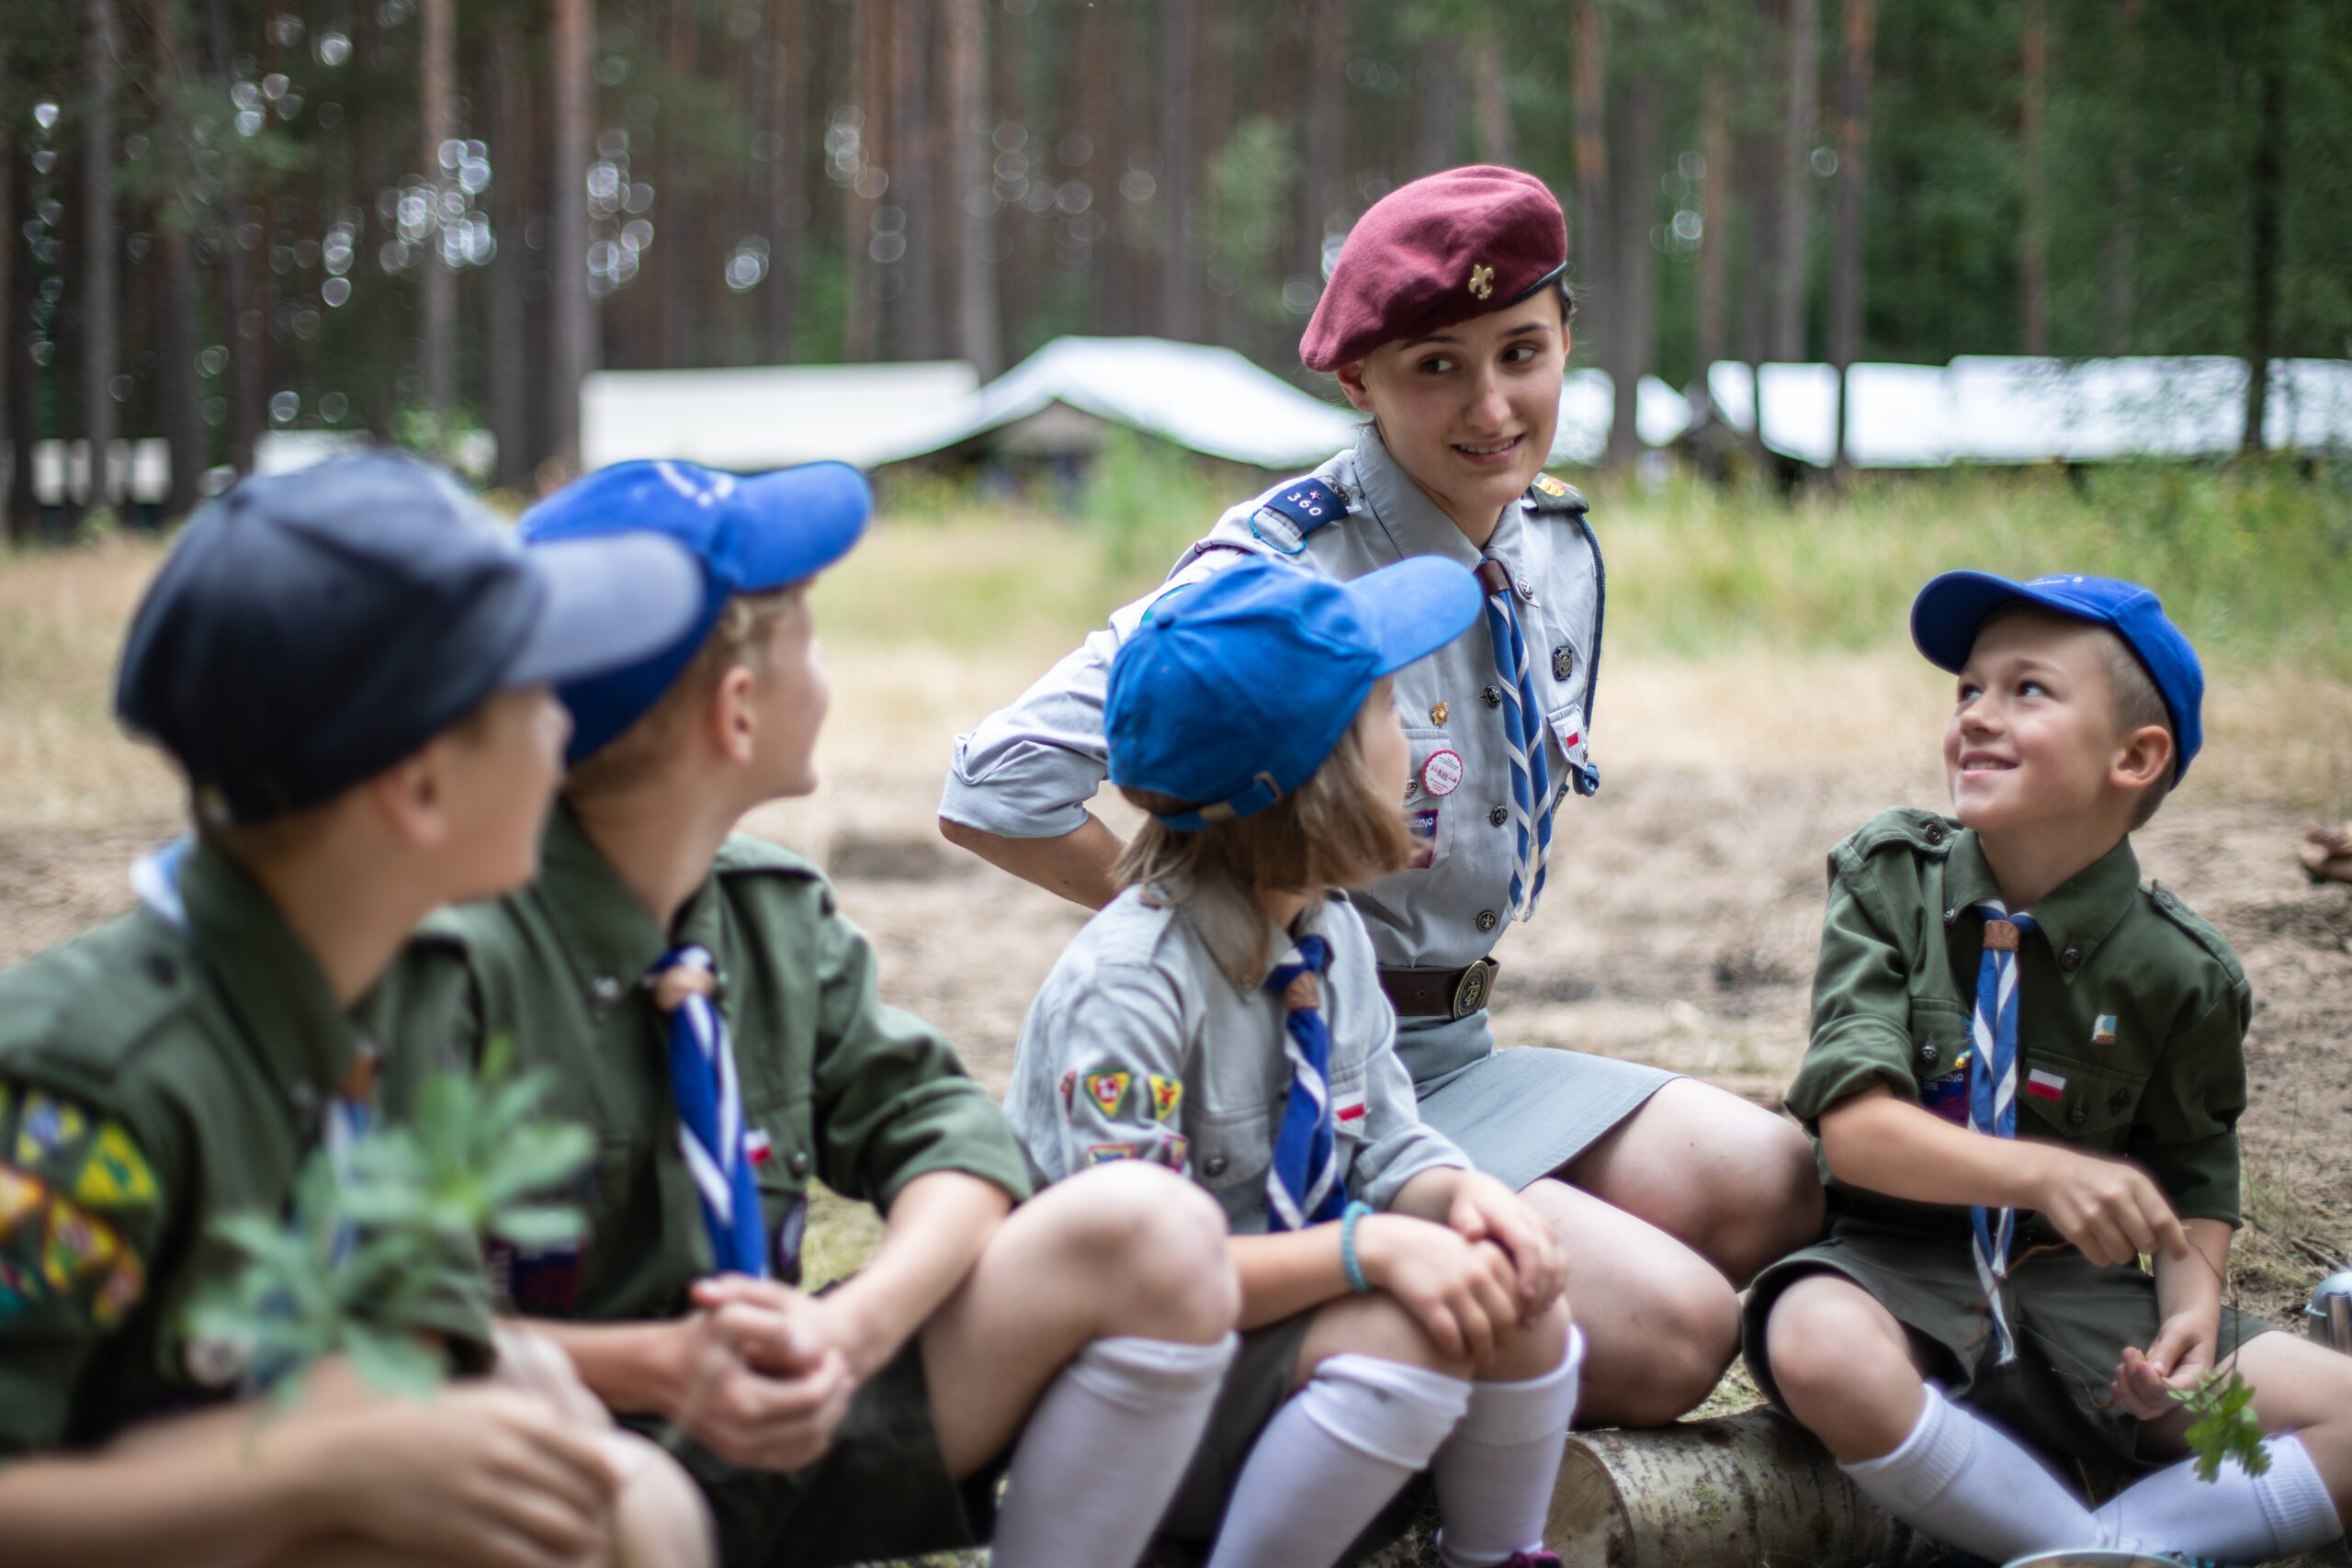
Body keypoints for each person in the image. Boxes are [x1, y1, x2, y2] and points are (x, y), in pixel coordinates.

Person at [940, 164, 1820, 1425]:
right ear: (1359, 384)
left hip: (1457, 1048)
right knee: (1681, 1334)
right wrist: (1218, 930)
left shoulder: (1551, 544)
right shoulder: (1280, 569)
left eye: (1522, 350)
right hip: (1302, 1069)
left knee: (1775, 1175)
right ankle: (1341, 1384)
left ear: (1570, 337)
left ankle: (1415, 1359)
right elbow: (995, 784)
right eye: (1435, 367)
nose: (1493, 405)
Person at [368, 457, 1241, 1568]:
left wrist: (850, 1328)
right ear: (737, 711)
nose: (823, 672)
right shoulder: (448, 962)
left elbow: (950, 1139)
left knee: (1146, 1231)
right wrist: (660, 1369)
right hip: (543, 1474)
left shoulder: (769, 917)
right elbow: (385, 1338)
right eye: (809, 641)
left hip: (784, 1425)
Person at [0, 453, 717, 1568]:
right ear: (420, 790)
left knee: (639, 1500)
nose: (563, 733)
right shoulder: (92, 1089)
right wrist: (316, 1470)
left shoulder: (406, 987)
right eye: (535, 698)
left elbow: (412, 1319)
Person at [1747, 571, 2352, 1564]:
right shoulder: (1887, 882)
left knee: (2338, 1414)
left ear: (2135, 756)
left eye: (2026, 690)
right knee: (1814, 1343)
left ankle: (2110, 1549)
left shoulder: (2182, 972)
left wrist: (2187, 1324)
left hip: (2086, 1305)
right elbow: (1854, 1136)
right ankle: (2075, 1546)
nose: (1977, 715)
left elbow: (2194, 1168)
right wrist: (2046, 1171)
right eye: (1966, 691)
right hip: (1895, 1278)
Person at [1006, 554, 1579, 1568]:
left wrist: (1457, 1199)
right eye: (1392, 716)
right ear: (1322, 783)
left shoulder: (1329, 934)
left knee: (1517, 1304)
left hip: (1278, 1337)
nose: (1418, 739)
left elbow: (1388, 1136)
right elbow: (1134, 1281)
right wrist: (1368, 1252)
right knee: (1416, 1341)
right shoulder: (1131, 990)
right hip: (1144, 1389)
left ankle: (1492, 1554)